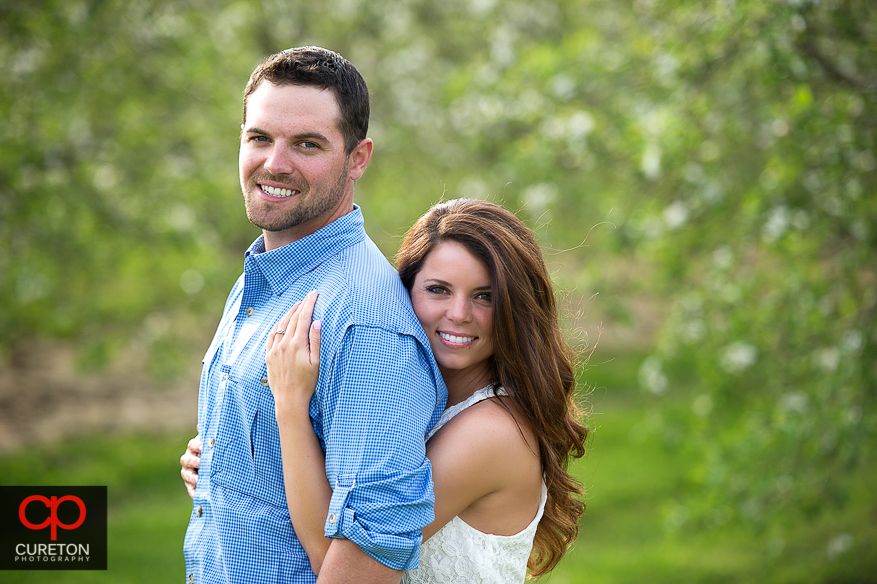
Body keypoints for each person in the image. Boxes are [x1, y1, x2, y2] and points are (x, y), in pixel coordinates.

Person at [181, 46, 447, 584]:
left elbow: (370, 562)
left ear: (358, 158)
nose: (275, 163)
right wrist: (220, 468)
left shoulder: (362, 322)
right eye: (259, 138)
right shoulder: (269, 269)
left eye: (306, 144)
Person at [264, 198, 589, 582]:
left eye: (485, 296)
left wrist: (289, 407)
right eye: (438, 290)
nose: (459, 314)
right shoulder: (422, 400)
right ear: (405, 291)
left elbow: (341, 571)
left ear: (516, 308)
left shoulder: (490, 433)